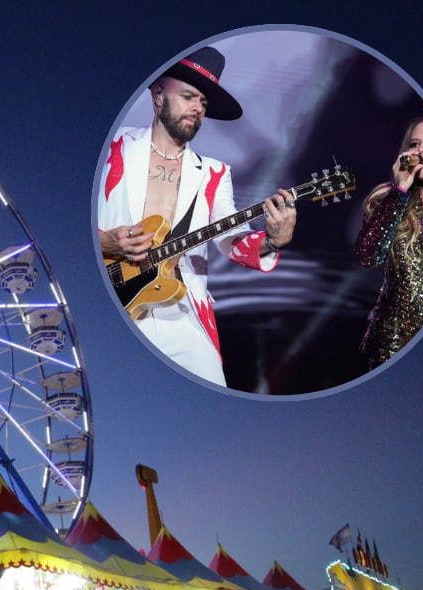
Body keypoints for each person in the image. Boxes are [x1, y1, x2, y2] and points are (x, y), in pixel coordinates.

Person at [98, 46, 298, 386]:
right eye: (189, 96)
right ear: (158, 94)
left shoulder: (214, 173)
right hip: (110, 299)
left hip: (181, 309)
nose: (197, 109)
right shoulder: (113, 147)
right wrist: (106, 240)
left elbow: (229, 240)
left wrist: (272, 240)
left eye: (204, 103)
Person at [354, 116, 423, 368]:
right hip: (394, 350)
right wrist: (400, 190)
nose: (421, 149)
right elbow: (368, 255)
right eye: (414, 144)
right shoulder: (387, 201)